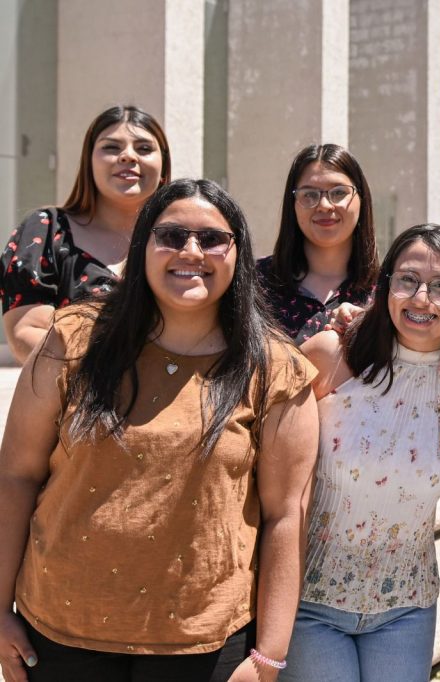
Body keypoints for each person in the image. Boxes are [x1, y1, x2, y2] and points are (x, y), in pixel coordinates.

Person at [0, 178, 319, 682]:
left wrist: (270, 655)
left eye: (212, 239)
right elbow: (16, 476)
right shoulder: (72, 340)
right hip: (59, 631)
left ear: (238, 253)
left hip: (204, 644)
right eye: (171, 235)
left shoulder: (277, 369)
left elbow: (286, 516)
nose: (191, 251)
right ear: (142, 247)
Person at [280, 224, 440, 681]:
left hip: (407, 607)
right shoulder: (332, 354)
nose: (421, 298)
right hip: (310, 603)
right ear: (386, 284)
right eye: (408, 279)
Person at [1, 105, 171, 364]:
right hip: (78, 388)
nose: (128, 156)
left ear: (163, 166)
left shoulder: (186, 239)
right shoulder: (47, 230)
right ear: (88, 161)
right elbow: (26, 334)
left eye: (144, 148)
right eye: (111, 147)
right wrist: (108, 376)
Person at [257, 144, 378, 343]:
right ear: (292, 204)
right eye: (309, 195)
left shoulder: (388, 290)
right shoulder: (255, 282)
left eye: (339, 193)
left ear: (361, 198)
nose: (324, 205)